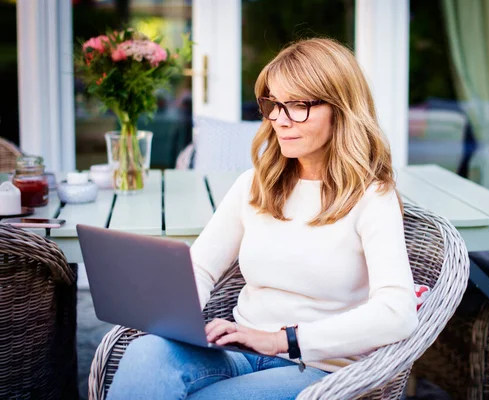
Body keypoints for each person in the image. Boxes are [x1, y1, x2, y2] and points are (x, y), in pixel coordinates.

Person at [107, 37, 418, 400]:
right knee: (145, 355)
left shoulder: (372, 198)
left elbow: (398, 313)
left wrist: (280, 340)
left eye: (298, 105)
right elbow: (200, 268)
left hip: (320, 370)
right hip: (240, 352)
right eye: (273, 104)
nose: (279, 120)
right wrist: (174, 316)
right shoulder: (256, 185)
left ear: (341, 109)